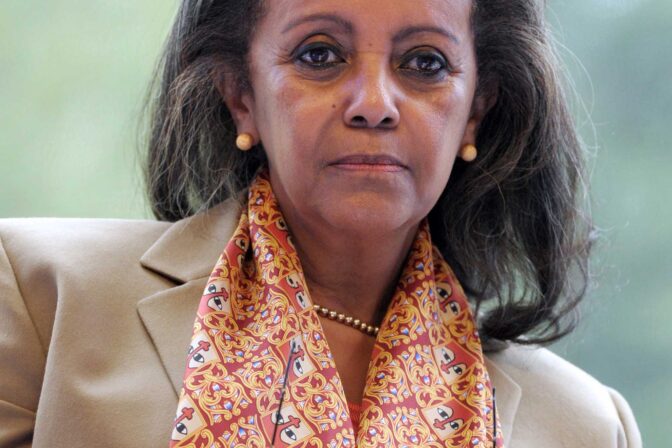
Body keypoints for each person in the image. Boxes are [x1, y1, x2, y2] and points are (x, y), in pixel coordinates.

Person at [0, 0, 642, 447]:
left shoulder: (586, 426)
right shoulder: (41, 300)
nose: (374, 104)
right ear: (240, 95)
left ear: (475, 111)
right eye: (319, 54)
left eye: (424, 63)